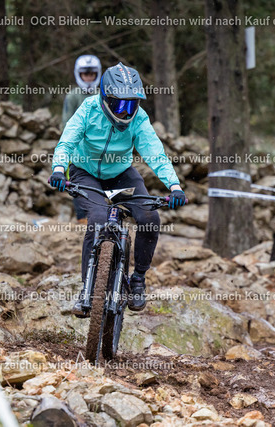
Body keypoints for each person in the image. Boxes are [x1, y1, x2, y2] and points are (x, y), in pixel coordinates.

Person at [49, 62, 186, 317]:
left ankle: (138, 280)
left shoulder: (140, 119)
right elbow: (66, 141)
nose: (126, 112)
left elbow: (155, 152)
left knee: (149, 218)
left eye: (132, 104)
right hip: (85, 172)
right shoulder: (88, 109)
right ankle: (87, 289)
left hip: (121, 174)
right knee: (98, 219)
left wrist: (174, 186)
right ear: (105, 98)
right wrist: (59, 169)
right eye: (120, 104)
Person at [61, 55, 102, 224]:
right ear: (79, 74)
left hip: (100, 150)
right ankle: (82, 220)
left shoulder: (103, 95)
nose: (88, 78)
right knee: (78, 185)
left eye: (92, 74)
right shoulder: (73, 96)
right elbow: (65, 124)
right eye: (85, 74)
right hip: (78, 151)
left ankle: (101, 219)